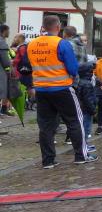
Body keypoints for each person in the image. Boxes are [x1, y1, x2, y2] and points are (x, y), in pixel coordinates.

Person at [30, 15, 96, 168]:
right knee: (75, 120)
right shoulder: (62, 43)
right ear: (58, 27)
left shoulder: (32, 44)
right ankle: (81, 156)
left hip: (41, 89)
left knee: (46, 126)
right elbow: (72, 68)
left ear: (43, 27)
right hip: (62, 88)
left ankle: (48, 160)